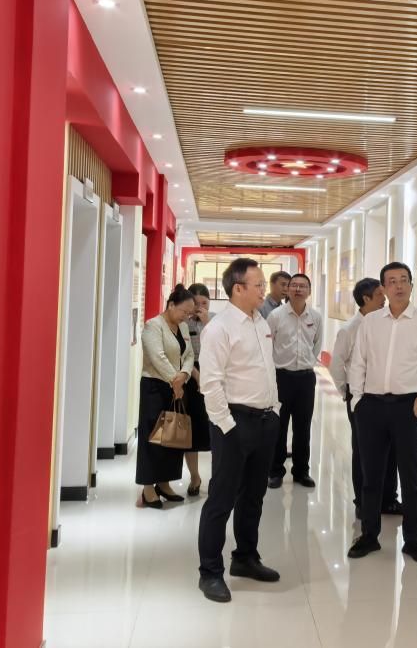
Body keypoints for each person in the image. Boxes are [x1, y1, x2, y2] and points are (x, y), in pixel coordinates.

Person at [346, 262, 417, 565]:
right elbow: (358, 361)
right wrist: (357, 400)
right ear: (383, 288)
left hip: (408, 407)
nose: (399, 286)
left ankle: (413, 540)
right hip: (371, 406)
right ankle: (369, 535)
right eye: (391, 281)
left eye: (404, 280)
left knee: (410, 476)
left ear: (412, 285)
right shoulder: (370, 322)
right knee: (371, 476)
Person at [197, 258, 281, 603]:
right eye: (258, 285)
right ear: (238, 289)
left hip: (265, 420)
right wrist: (228, 427)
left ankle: (245, 557)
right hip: (234, 423)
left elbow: (265, 370)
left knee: (253, 497)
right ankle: (210, 572)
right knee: (222, 499)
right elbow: (210, 384)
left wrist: (275, 411)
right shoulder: (219, 328)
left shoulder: (260, 322)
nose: (264, 290)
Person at [329, 278, 402, 520]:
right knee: (363, 451)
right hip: (362, 397)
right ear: (366, 299)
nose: (385, 298)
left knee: (390, 450)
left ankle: (388, 499)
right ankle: (363, 501)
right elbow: (337, 364)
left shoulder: (385, 323)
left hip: (387, 396)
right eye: (380, 294)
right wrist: (347, 393)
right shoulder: (350, 329)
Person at [136, 285, 196, 509]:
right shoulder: (153, 325)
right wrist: (175, 380)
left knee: (172, 437)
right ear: (171, 305)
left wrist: (184, 374)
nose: (186, 317)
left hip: (177, 385)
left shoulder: (182, 327)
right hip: (155, 387)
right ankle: (148, 488)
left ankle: (164, 483)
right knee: (152, 437)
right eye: (183, 311)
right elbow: (157, 357)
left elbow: (189, 355)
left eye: (189, 313)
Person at [266, 273, 323, 489]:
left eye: (303, 286)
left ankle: (301, 471)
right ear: (288, 290)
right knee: (278, 426)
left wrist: (307, 363)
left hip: (306, 379)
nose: (298, 289)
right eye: (294, 285)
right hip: (281, 377)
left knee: (303, 426)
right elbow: (268, 346)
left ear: (309, 290)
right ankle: (275, 471)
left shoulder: (315, 317)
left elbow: (317, 345)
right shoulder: (275, 316)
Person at [183, 283, 214, 496]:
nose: (200, 307)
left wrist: (207, 324)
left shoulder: (216, 321)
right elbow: (183, 354)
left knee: (216, 429)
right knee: (192, 431)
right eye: (196, 303)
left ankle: (217, 478)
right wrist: (195, 374)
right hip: (190, 377)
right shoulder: (182, 322)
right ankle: (194, 476)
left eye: (205, 303)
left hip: (214, 376)